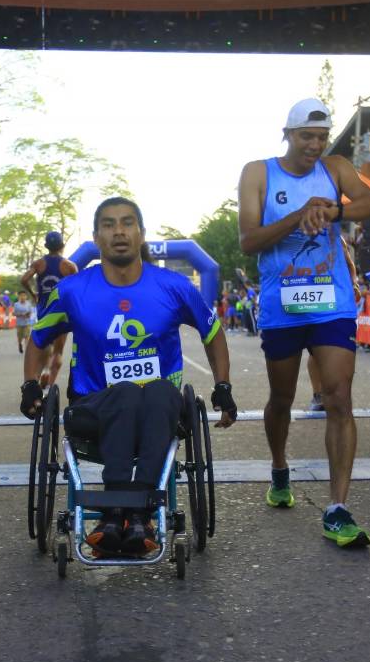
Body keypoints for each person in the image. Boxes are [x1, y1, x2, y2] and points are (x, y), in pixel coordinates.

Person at [21, 197, 237, 556]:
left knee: (155, 392)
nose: (118, 231)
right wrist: (30, 385)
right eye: (108, 225)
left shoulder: (174, 286)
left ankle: (129, 514)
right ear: (96, 237)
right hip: (93, 408)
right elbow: (39, 339)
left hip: (160, 409)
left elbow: (212, 332)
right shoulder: (72, 291)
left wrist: (223, 385)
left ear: (141, 233)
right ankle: (128, 510)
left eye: (127, 223)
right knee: (125, 392)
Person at [237, 97, 370, 547]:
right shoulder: (258, 173)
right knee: (281, 398)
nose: (315, 145)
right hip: (282, 304)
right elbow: (248, 240)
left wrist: (333, 211)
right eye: (306, 137)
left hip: (331, 302)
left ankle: (337, 508)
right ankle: (279, 468)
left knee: (338, 397)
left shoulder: (335, 169)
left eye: (321, 137)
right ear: (287, 134)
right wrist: (298, 217)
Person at [21, 231, 78, 387]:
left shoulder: (39, 264)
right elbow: (77, 289)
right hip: (62, 312)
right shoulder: (69, 266)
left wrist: (33, 294)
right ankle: (50, 386)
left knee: (45, 344)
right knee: (58, 351)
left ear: (46, 246)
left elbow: (24, 279)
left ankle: (44, 371)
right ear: (62, 246)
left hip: (45, 311)